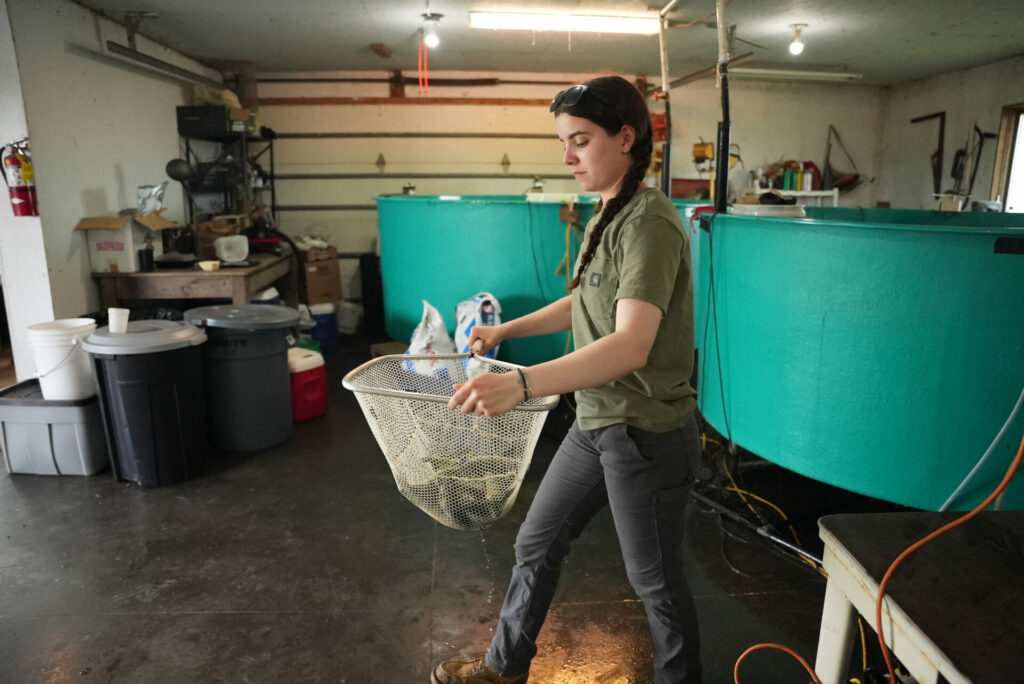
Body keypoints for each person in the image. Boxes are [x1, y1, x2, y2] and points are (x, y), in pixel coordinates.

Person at [432, 75, 702, 684]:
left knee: (655, 582)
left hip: (646, 433)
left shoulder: (650, 221)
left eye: (580, 140)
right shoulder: (607, 210)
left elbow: (631, 344)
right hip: (596, 421)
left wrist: (523, 382)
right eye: (564, 141)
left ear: (626, 137)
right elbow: (582, 303)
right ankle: (504, 669)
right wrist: (508, 333)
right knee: (537, 542)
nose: (567, 156)